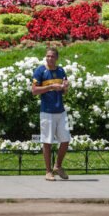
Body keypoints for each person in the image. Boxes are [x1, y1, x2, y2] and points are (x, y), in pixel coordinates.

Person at [32, 47, 71, 181]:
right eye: (48, 56)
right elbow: (34, 90)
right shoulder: (40, 71)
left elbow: (64, 91)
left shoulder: (61, 71)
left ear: (56, 58)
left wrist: (65, 87)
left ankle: (57, 166)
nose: (49, 58)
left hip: (60, 111)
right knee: (47, 142)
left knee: (65, 140)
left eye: (52, 56)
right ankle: (48, 171)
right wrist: (50, 87)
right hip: (47, 112)